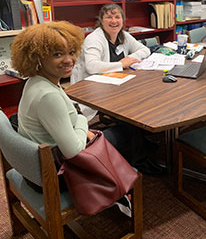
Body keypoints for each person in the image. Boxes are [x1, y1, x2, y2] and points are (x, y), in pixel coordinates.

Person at [10, 22, 161, 214]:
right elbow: (73, 150)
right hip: (60, 174)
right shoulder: (49, 96)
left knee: (118, 133)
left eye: (71, 52)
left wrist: (82, 128)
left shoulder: (37, 82)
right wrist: (82, 122)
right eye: (57, 54)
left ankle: (137, 161)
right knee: (129, 132)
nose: (69, 60)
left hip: (41, 164)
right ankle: (119, 188)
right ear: (37, 57)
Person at [71, 3, 150, 120]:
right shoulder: (94, 39)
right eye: (109, 17)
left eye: (117, 17)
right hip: (90, 88)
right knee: (133, 103)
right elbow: (91, 66)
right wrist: (122, 64)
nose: (114, 21)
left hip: (116, 84)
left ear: (122, 20)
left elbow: (145, 50)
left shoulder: (123, 36)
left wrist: (129, 59)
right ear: (101, 21)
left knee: (142, 96)